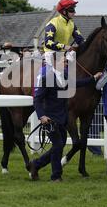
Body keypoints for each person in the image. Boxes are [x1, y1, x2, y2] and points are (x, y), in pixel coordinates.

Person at [28, 53, 102, 182]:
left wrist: (93, 79)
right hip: (50, 118)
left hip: (62, 117)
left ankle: (36, 164)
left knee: (59, 146)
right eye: (64, 61)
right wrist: (41, 116)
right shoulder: (47, 78)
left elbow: (75, 83)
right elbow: (37, 99)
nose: (66, 63)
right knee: (57, 145)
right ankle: (56, 176)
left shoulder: (65, 75)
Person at [43, 0, 85, 65]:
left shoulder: (71, 24)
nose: (74, 12)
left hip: (64, 53)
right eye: (72, 10)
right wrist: (64, 46)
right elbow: (48, 43)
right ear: (64, 11)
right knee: (60, 74)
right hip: (51, 53)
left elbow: (80, 40)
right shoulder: (52, 24)